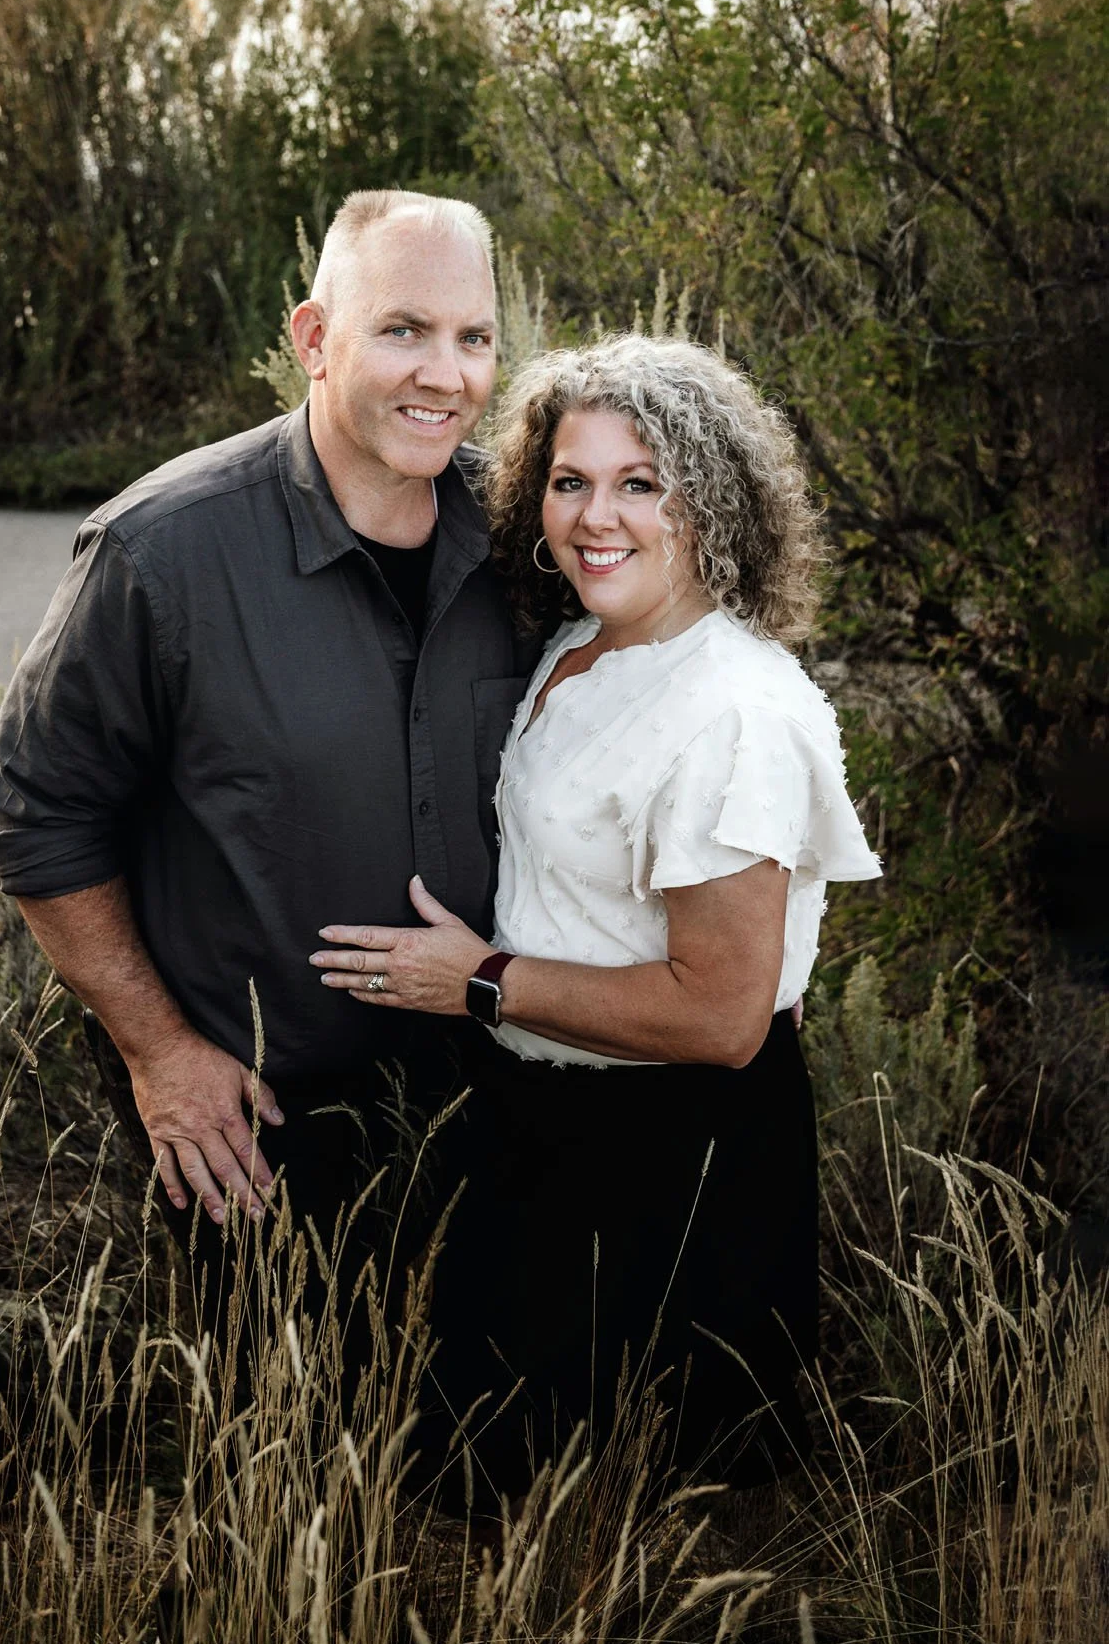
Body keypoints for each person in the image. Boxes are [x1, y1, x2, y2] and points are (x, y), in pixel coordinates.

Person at [308, 333, 883, 1493]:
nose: (593, 516)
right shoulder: (584, 641)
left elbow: (722, 1016)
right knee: (488, 1497)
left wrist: (474, 981)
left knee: (637, 1526)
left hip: (672, 1156)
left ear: (707, 498)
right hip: (538, 1121)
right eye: (569, 481)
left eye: (639, 483)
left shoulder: (730, 710)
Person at [0, 189, 537, 1358]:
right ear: (314, 338)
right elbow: (37, 815)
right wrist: (159, 1052)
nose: (446, 373)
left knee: (496, 1447)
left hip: (491, 1092)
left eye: (473, 339)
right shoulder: (161, 553)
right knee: (298, 1444)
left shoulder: (522, 542)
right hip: (259, 1114)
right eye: (403, 330)